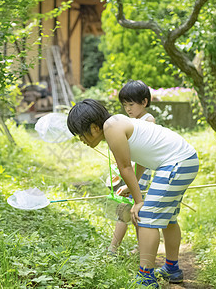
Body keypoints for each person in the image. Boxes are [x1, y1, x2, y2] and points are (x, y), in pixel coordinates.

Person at [67, 98, 199, 287]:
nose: (81, 140)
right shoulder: (116, 123)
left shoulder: (112, 128)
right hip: (185, 160)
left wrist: (138, 202)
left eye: (80, 134)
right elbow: (144, 156)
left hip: (176, 163)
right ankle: (172, 268)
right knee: (168, 219)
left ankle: (146, 278)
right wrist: (134, 184)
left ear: (94, 127)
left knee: (146, 217)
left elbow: (125, 166)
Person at [108, 80, 156, 255]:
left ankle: (139, 248)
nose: (128, 109)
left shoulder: (147, 119)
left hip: (140, 172)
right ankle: (116, 247)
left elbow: (142, 148)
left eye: (131, 104)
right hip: (129, 169)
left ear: (144, 102)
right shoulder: (130, 120)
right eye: (124, 105)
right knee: (124, 208)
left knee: (136, 210)